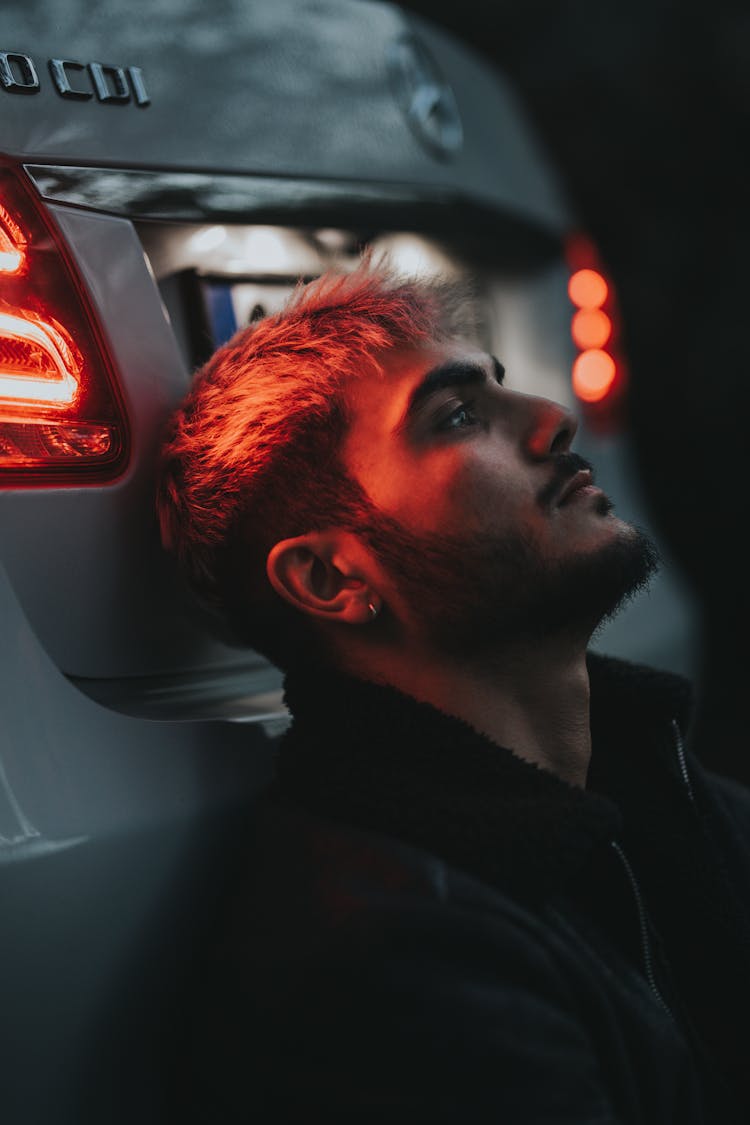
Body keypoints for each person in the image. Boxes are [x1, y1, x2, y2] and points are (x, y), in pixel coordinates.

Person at [156, 256, 750, 1124]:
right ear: (330, 576)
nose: (554, 420)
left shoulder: (664, 789)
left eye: (500, 390)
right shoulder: (387, 967)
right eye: (459, 415)